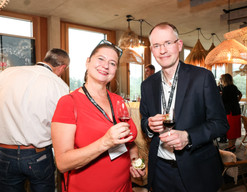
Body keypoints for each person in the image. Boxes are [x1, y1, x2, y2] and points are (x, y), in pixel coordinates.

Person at [140, 22, 229, 192]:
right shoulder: (147, 85)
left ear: (179, 45)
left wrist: (188, 136)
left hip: (198, 170)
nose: (162, 50)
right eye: (156, 45)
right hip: (160, 170)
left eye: (168, 43)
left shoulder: (202, 77)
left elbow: (220, 124)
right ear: (152, 50)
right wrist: (149, 126)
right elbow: (144, 120)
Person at [51, 40, 145, 192]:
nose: (106, 66)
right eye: (100, 59)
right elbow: (63, 163)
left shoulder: (118, 101)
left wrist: (134, 161)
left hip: (124, 187)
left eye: (112, 63)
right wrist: (105, 142)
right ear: (88, 62)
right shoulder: (69, 102)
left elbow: (130, 142)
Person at [0, 48, 70, 192]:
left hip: (4, 151)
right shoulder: (59, 85)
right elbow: (60, 125)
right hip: (38, 155)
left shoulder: (7, 73)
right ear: (62, 68)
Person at [221, 73, 242, 152]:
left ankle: (230, 146)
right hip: (236, 110)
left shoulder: (225, 89)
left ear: (224, 80)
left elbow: (223, 101)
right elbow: (240, 94)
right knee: (235, 129)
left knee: (230, 130)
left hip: (230, 112)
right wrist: (236, 101)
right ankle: (232, 146)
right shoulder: (234, 87)